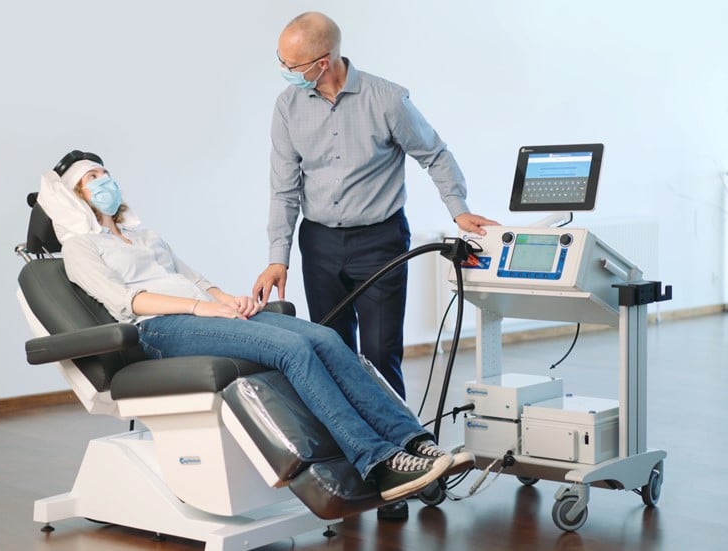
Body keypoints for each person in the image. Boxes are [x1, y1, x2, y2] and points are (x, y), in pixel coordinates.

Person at [36, 150, 475, 507]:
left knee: (324, 337)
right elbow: (125, 301)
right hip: (161, 327)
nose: (105, 181)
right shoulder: (80, 247)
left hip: (202, 312)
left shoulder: (144, 235)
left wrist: (229, 301)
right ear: (74, 196)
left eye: (105, 173)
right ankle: (377, 461)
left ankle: (412, 440)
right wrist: (201, 309)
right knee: (292, 350)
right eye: (92, 178)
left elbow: (194, 278)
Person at [253, 11, 498, 402]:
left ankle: (396, 434)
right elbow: (284, 188)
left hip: (380, 241)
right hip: (319, 245)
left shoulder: (387, 99)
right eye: (280, 60)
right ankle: (347, 434)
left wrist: (458, 208)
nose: (284, 71)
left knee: (381, 353)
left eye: (291, 65)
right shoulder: (287, 107)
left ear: (323, 62)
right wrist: (276, 258)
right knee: (331, 349)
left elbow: (434, 153)